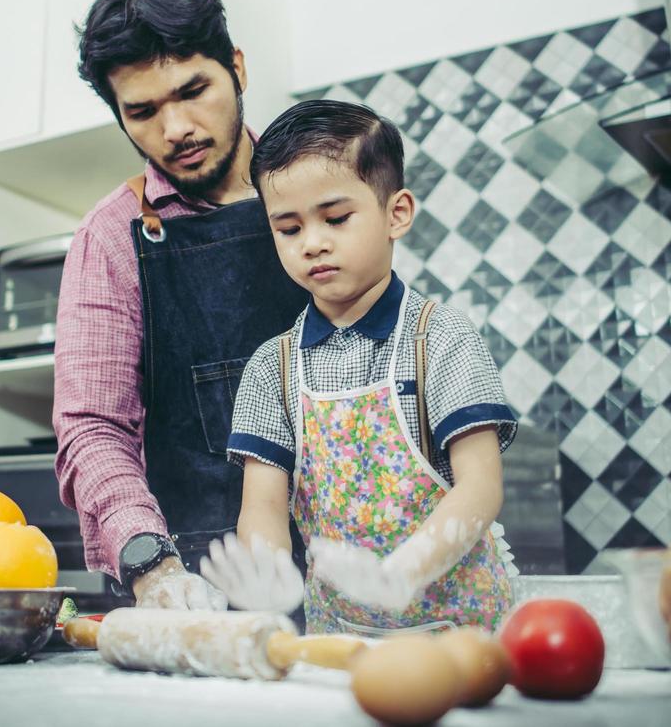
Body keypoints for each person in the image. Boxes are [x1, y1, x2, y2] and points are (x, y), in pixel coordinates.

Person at [202, 99, 518, 634]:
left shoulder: (440, 338)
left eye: (336, 218)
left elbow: (481, 486)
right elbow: (263, 505)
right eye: (289, 228)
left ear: (396, 213)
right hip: (339, 645)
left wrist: (405, 571)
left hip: (463, 638)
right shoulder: (270, 369)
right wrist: (270, 573)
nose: (314, 243)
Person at [52, 0, 307, 610]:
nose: (176, 130)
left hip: (354, 570)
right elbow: (92, 429)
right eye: (142, 111)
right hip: (193, 588)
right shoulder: (112, 236)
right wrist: (151, 566)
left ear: (238, 69)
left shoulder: (318, 194)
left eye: (194, 91)